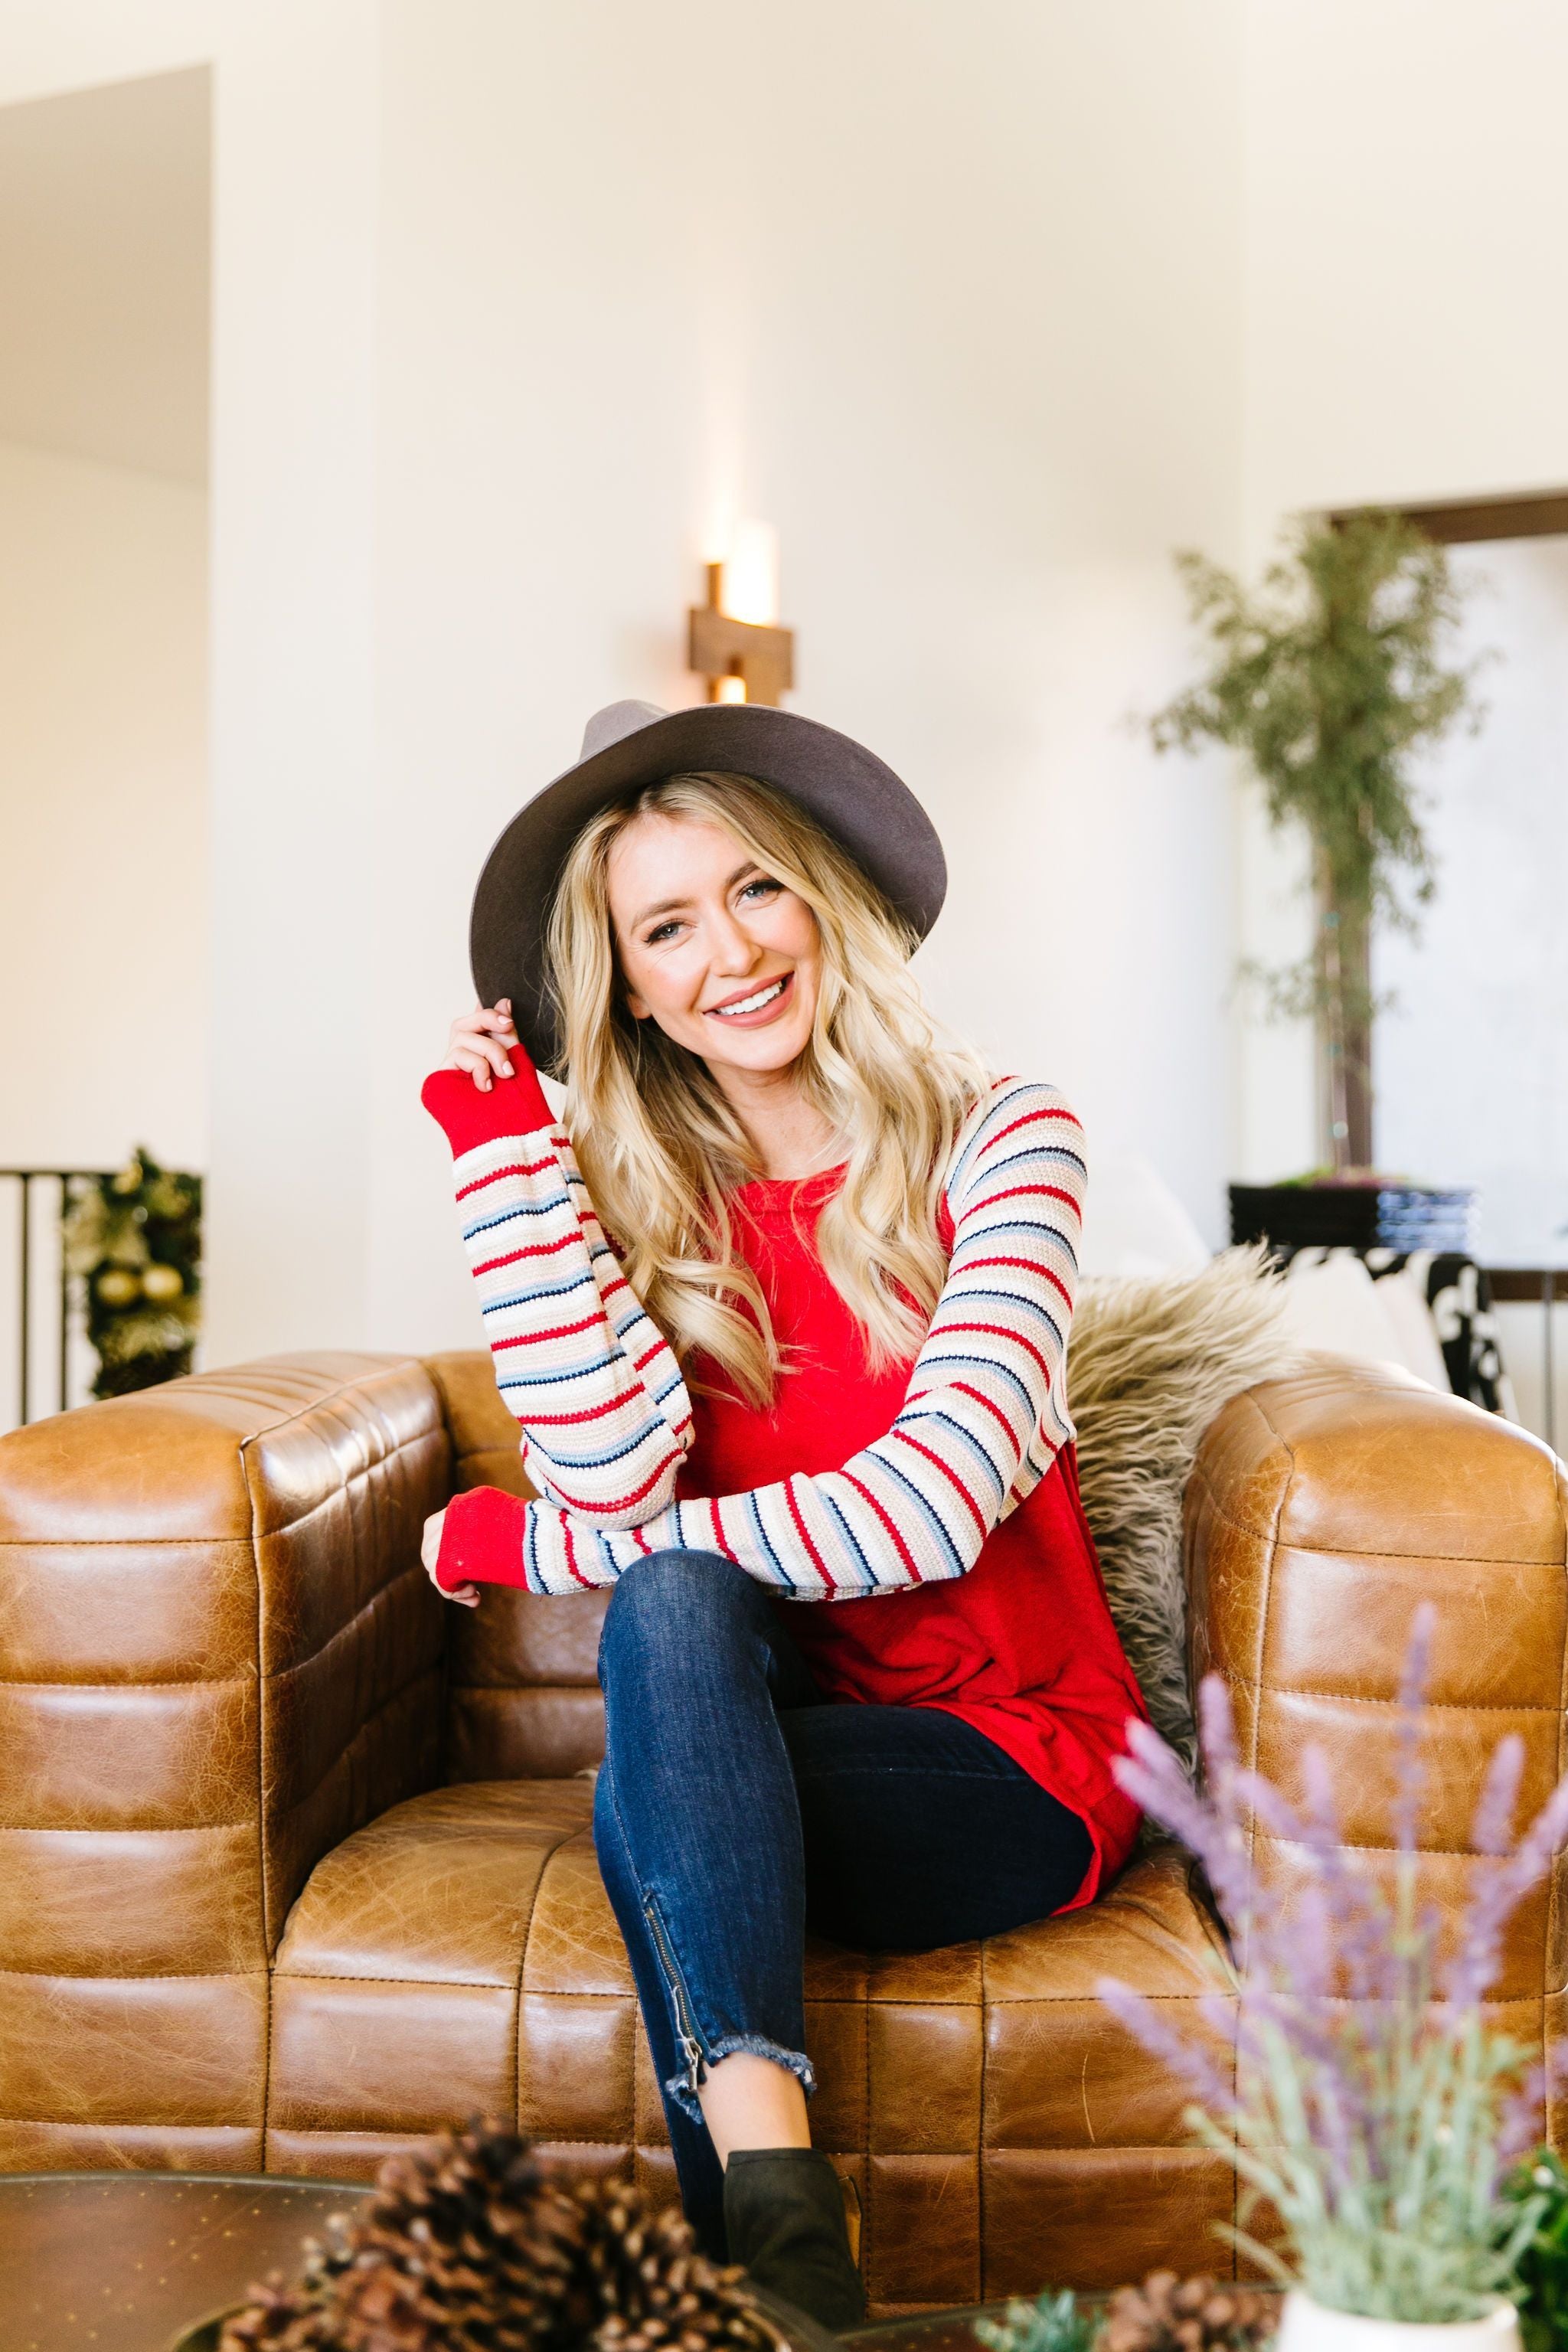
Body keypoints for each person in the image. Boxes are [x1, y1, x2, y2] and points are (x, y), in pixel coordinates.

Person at [418, 699, 1148, 2330]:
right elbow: (611, 1471)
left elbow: (934, 1508)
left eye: (755, 890)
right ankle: (783, 2248)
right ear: (627, 985)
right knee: (673, 1644)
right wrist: (503, 1164)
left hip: (1006, 1756)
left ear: (824, 897)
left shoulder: (1002, 1137)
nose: (728, 953)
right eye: (664, 926)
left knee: (645, 1788)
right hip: (754, 1754)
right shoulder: (629, 1200)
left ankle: (744, 2281)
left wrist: (538, 1550)